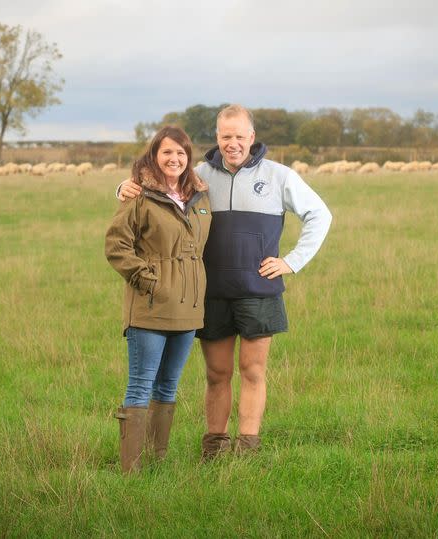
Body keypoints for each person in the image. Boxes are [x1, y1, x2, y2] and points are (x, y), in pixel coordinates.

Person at [117, 104, 331, 459]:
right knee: (217, 373)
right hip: (211, 293)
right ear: (217, 138)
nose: (232, 143)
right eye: (225, 136)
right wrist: (122, 188)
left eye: (239, 136)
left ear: (252, 136)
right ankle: (214, 446)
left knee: (252, 370)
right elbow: (159, 188)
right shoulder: (198, 175)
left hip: (258, 291)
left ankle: (248, 445)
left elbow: (320, 214)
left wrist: (292, 262)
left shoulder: (279, 175)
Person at [105, 126, 211, 473]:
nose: (174, 159)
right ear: (154, 155)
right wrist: (148, 281)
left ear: (188, 158)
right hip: (150, 306)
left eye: (181, 153)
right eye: (167, 152)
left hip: (189, 308)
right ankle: (131, 470)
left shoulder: (200, 197)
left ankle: (156, 460)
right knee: (140, 386)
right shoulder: (138, 195)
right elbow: (116, 246)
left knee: (168, 386)